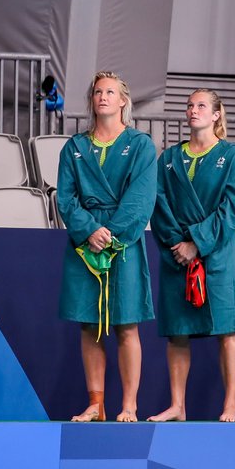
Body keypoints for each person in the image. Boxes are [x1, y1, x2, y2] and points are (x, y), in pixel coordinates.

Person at [57, 70, 157, 422]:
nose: (102, 97)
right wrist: (89, 231)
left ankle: (129, 404)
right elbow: (66, 199)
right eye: (98, 92)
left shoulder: (141, 145)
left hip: (122, 243)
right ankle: (96, 404)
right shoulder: (75, 147)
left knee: (126, 323)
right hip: (85, 245)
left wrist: (110, 234)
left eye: (110, 92)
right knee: (89, 323)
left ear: (123, 101)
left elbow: (141, 198)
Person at [149, 89, 235, 421]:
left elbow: (232, 209)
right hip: (177, 255)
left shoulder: (234, 157)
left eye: (202, 106)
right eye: (190, 105)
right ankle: (178, 405)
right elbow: (158, 202)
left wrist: (197, 242)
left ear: (217, 114)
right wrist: (178, 243)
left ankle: (230, 404)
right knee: (178, 332)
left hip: (216, 254)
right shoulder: (168, 158)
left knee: (227, 330)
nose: (194, 111)